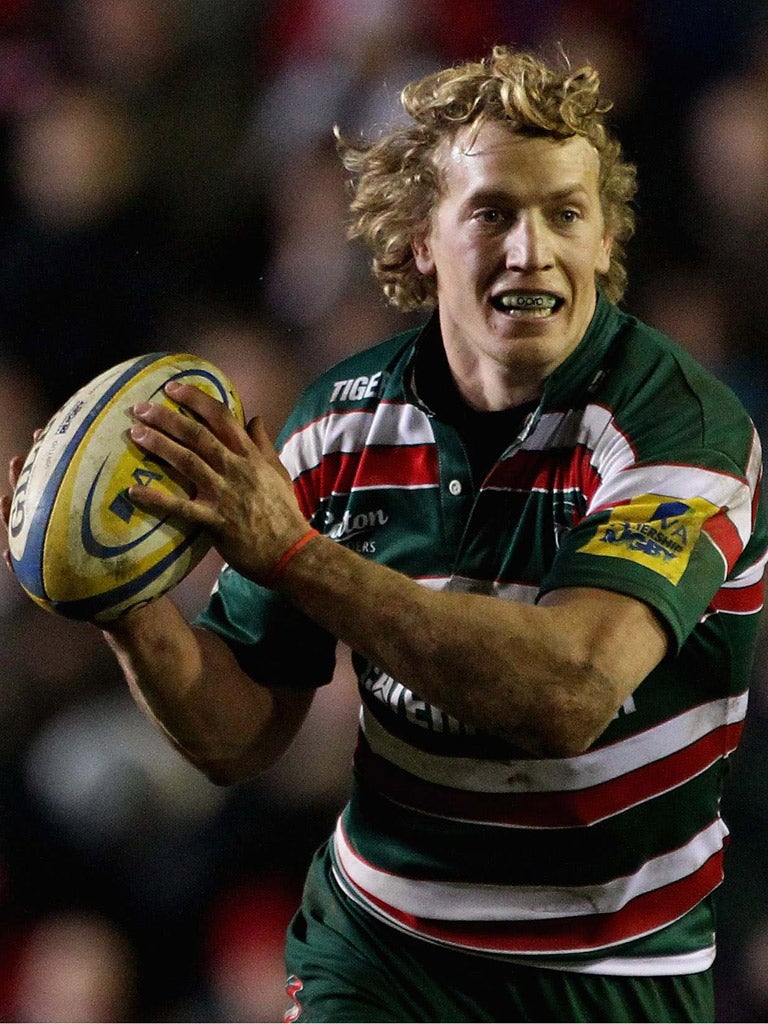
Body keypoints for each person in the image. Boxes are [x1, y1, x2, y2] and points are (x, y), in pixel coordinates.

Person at [3, 45, 767, 1024]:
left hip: (615, 967)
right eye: (492, 212)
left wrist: (297, 556)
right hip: (382, 951)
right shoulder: (340, 424)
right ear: (417, 241)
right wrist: (124, 602)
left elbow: (570, 688)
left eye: (566, 214)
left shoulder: (683, 425)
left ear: (607, 243)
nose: (532, 248)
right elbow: (240, 733)